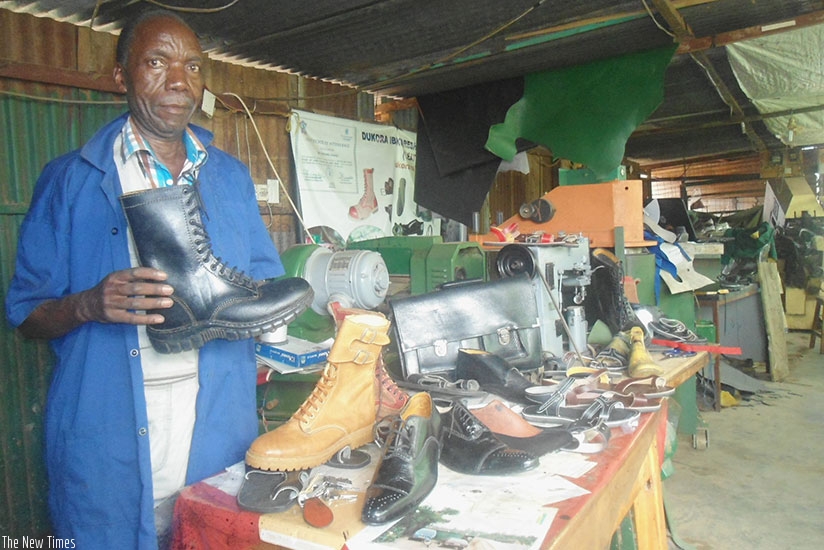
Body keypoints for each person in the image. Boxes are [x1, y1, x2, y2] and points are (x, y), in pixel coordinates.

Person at [5, 9, 297, 548]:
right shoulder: (70, 181)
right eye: (156, 63)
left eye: (192, 65)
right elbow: (27, 315)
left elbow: (263, 288)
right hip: (105, 443)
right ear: (122, 76)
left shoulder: (229, 178)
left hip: (216, 435)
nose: (179, 82)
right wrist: (88, 304)